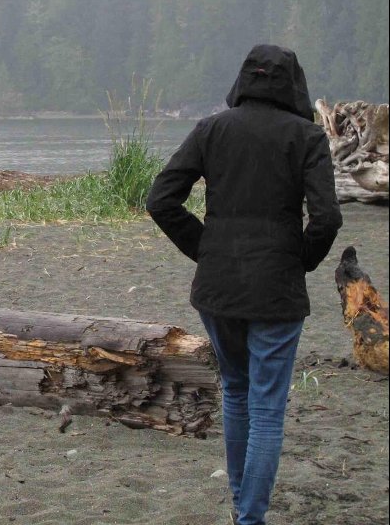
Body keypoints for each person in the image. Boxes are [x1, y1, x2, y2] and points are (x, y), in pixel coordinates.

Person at [146, 44, 342, 525]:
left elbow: (161, 200)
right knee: (267, 409)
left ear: (243, 81)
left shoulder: (213, 128)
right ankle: (248, 518)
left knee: (236, 392)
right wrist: (302, 260)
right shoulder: (306, 137)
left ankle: (242, 507)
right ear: (293, 86)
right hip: (276, 289)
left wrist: (205, 247)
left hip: (220, 288)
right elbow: (326, 219)